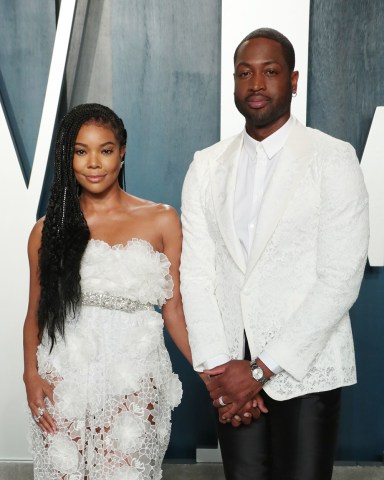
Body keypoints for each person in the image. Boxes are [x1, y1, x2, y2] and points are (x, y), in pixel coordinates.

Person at [180, 28, 369, 480]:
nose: (257, 84)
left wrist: (261, 371)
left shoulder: (333, 158)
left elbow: (339, 279)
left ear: (294, 80)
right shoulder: (207, 165)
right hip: (229, 371)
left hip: (306, 367)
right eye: (245, 73)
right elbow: (197, 274)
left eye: (270, 72)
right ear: (233, 83)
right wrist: (219, 375)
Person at [23, 103, 192, 479]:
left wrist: (215, 373)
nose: (94, 162)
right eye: (81, 151)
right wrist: (30, 376)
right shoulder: (47, 230)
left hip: (135, 373)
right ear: (68, 158)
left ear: (122, 152)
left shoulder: (161, 219)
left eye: (106, 149)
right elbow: (36, 311)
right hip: (63, 376)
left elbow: (174, 309)